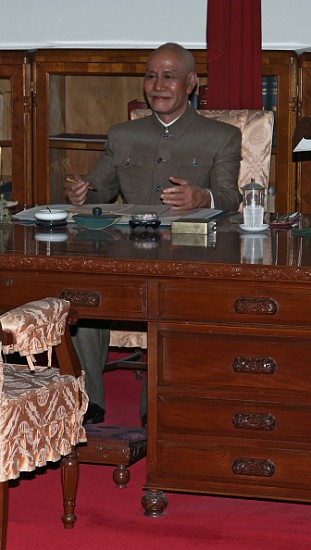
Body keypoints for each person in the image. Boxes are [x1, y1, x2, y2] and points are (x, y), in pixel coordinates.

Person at [65, 42, 243, 425]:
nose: (157, 85)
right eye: (150, 76)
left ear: (191, 83)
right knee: (81, 291)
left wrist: (201, 196)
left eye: (169, 77)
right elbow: (97, 188)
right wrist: (81, 191)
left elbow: (230, 196)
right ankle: (88, 400)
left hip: (186, 252)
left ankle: (158, 407)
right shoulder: (123, 134)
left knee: (172, 299)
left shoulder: (221, 136)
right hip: (124, 253)